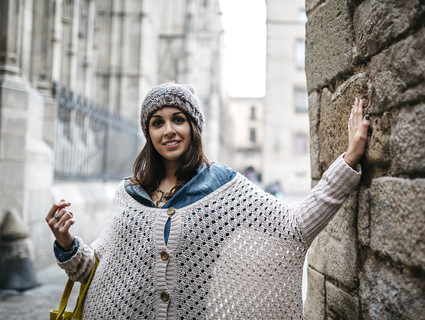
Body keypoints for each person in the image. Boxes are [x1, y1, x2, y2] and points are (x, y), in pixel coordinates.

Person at [46, 83, 369, 319]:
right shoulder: (128, 193)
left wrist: (349, 158)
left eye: (178, 119)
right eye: (157, 122)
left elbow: (295, 227)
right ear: (148, 133)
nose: (168, 130)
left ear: (194, 126)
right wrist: (67, 242)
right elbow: (93, 271)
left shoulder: (223, 186)